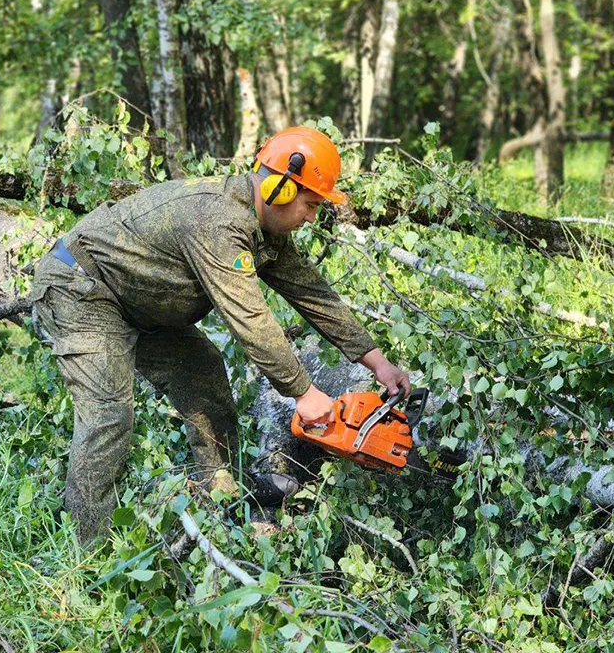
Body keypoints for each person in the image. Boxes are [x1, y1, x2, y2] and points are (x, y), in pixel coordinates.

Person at [30, 126, 411, 543]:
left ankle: (221, 501)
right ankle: (86, 551)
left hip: (139, 302)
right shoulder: (218, 221)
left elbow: (311, 291)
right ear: (280, 187)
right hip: (83, 288)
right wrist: (304, 393)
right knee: (108, 414)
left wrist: (377, 362)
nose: (311, 217)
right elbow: (249, 318)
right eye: (309, 204)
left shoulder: (264, 227)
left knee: (204, 374)